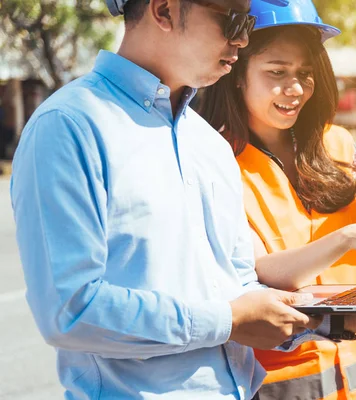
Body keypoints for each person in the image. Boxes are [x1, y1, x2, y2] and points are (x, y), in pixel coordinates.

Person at [9, 0, 336, 398]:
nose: (243, 39)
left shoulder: (209, 145)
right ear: (164, 10)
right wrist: (226, 320)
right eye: (232, 19)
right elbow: (70, 310)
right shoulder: (69, 127)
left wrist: (324, 320)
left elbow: (238, 286)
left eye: (247, 21)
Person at [198, 0, 356, 398]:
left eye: (305, 74)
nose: (295, 89)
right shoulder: (216, 159)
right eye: (277, 72)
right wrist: (352, 234)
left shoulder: (337, 144)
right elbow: (262, 273)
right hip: (279, 381)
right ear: (238, 73)